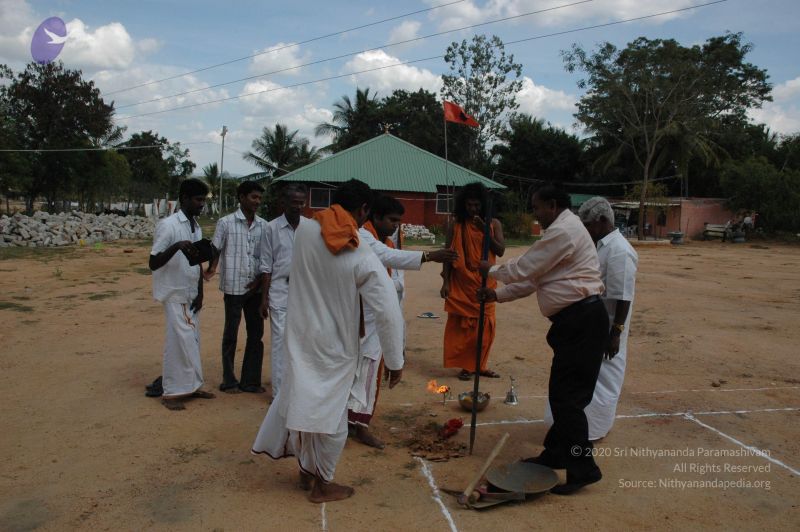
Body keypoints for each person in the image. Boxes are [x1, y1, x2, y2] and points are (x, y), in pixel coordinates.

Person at [251, 179, 404, 503]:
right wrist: (395, 361)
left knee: (305, 406)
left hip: (300, 338)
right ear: (363, 210)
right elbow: (388, 310)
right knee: (333, 421)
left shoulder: (305, 230)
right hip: (335, 348)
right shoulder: (360, 252)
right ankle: (322, 483)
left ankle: (307, 471)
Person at [477, 185, 606, 495]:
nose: (534, 213)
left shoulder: (564, 231)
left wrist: (491, 270)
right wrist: (497, 293)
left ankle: (582, 468)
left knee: (568, 399)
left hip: (582, 320)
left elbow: (524, 268)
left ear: (552, 204)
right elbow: (535, 280)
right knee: (562, 395)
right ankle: (556, 454)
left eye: (536, 207)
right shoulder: (561, 231)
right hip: (575, 322)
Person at [348, 194, 457, 448]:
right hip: (363, 314)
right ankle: (356, 423)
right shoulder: (364, 236)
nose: (396, 225)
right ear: (374, 216)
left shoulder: (382, 237)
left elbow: (392, 262)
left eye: (398, 221)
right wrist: (430, 257)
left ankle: (358, 421)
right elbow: (387, 257)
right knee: (365, 371)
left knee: (368, 370)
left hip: (375, 317)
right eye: (392, 220)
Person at [543, 197, 638, 441]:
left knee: (604, 380)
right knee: (583, 379)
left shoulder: (619, 251)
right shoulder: (599, 245)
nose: (585, 230)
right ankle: (573, 429)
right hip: (589, 325)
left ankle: (593, 431)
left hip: (608, 327)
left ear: (603, 221)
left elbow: (623, 297)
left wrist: (615, 333)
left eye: (588, 225)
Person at [149, 178, 216, 411]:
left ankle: (192, 386)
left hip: (190, 293)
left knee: (192, 341)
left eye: (203, 201)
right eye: (198, 200)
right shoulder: (168, 225)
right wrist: (176, 246)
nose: (201, 205)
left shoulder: (195, 225)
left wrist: (201, 291)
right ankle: (172, 392)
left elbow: (196, 261)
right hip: (174, 292)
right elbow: (153, 262)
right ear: (184, 198)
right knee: (180, 342)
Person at [204, 181, 268, 393]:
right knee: (231, 333)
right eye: (253, 197)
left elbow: (267, 257)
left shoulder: (264, 226)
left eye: (259, 198)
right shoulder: (226, 223)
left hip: (255, 288)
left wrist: (260, 281)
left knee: (255, 334)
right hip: (233, 286)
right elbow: (216, 248)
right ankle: (229, 380)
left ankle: (250, 381)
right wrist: (212, 268)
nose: (257, 202)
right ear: (241, 198)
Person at [441, 182, 505, 381]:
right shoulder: (456, 224)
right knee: (464, 330)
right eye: (469, 205)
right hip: (462, 283)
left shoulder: (494, 224)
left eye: (477, 205)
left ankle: (481, 365)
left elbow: (500, 250)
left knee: (486, 328)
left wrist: (485, 230)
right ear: (463, 204)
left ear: (483, 205)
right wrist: (445, 282)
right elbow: (448, 254)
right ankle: (467, 367)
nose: (473, 209)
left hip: (485, 283)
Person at [258, 184, 309, 397]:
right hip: (280, 291)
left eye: (301, 202)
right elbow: (266, 266)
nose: (298, 206)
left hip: (305, 294)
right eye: (293, 202)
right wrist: (264, 298)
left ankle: (297, 391)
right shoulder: (271, 228)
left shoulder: (310, 227)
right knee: (280, 343)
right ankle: (279, 394)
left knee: (302, 342)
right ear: (284, 203)